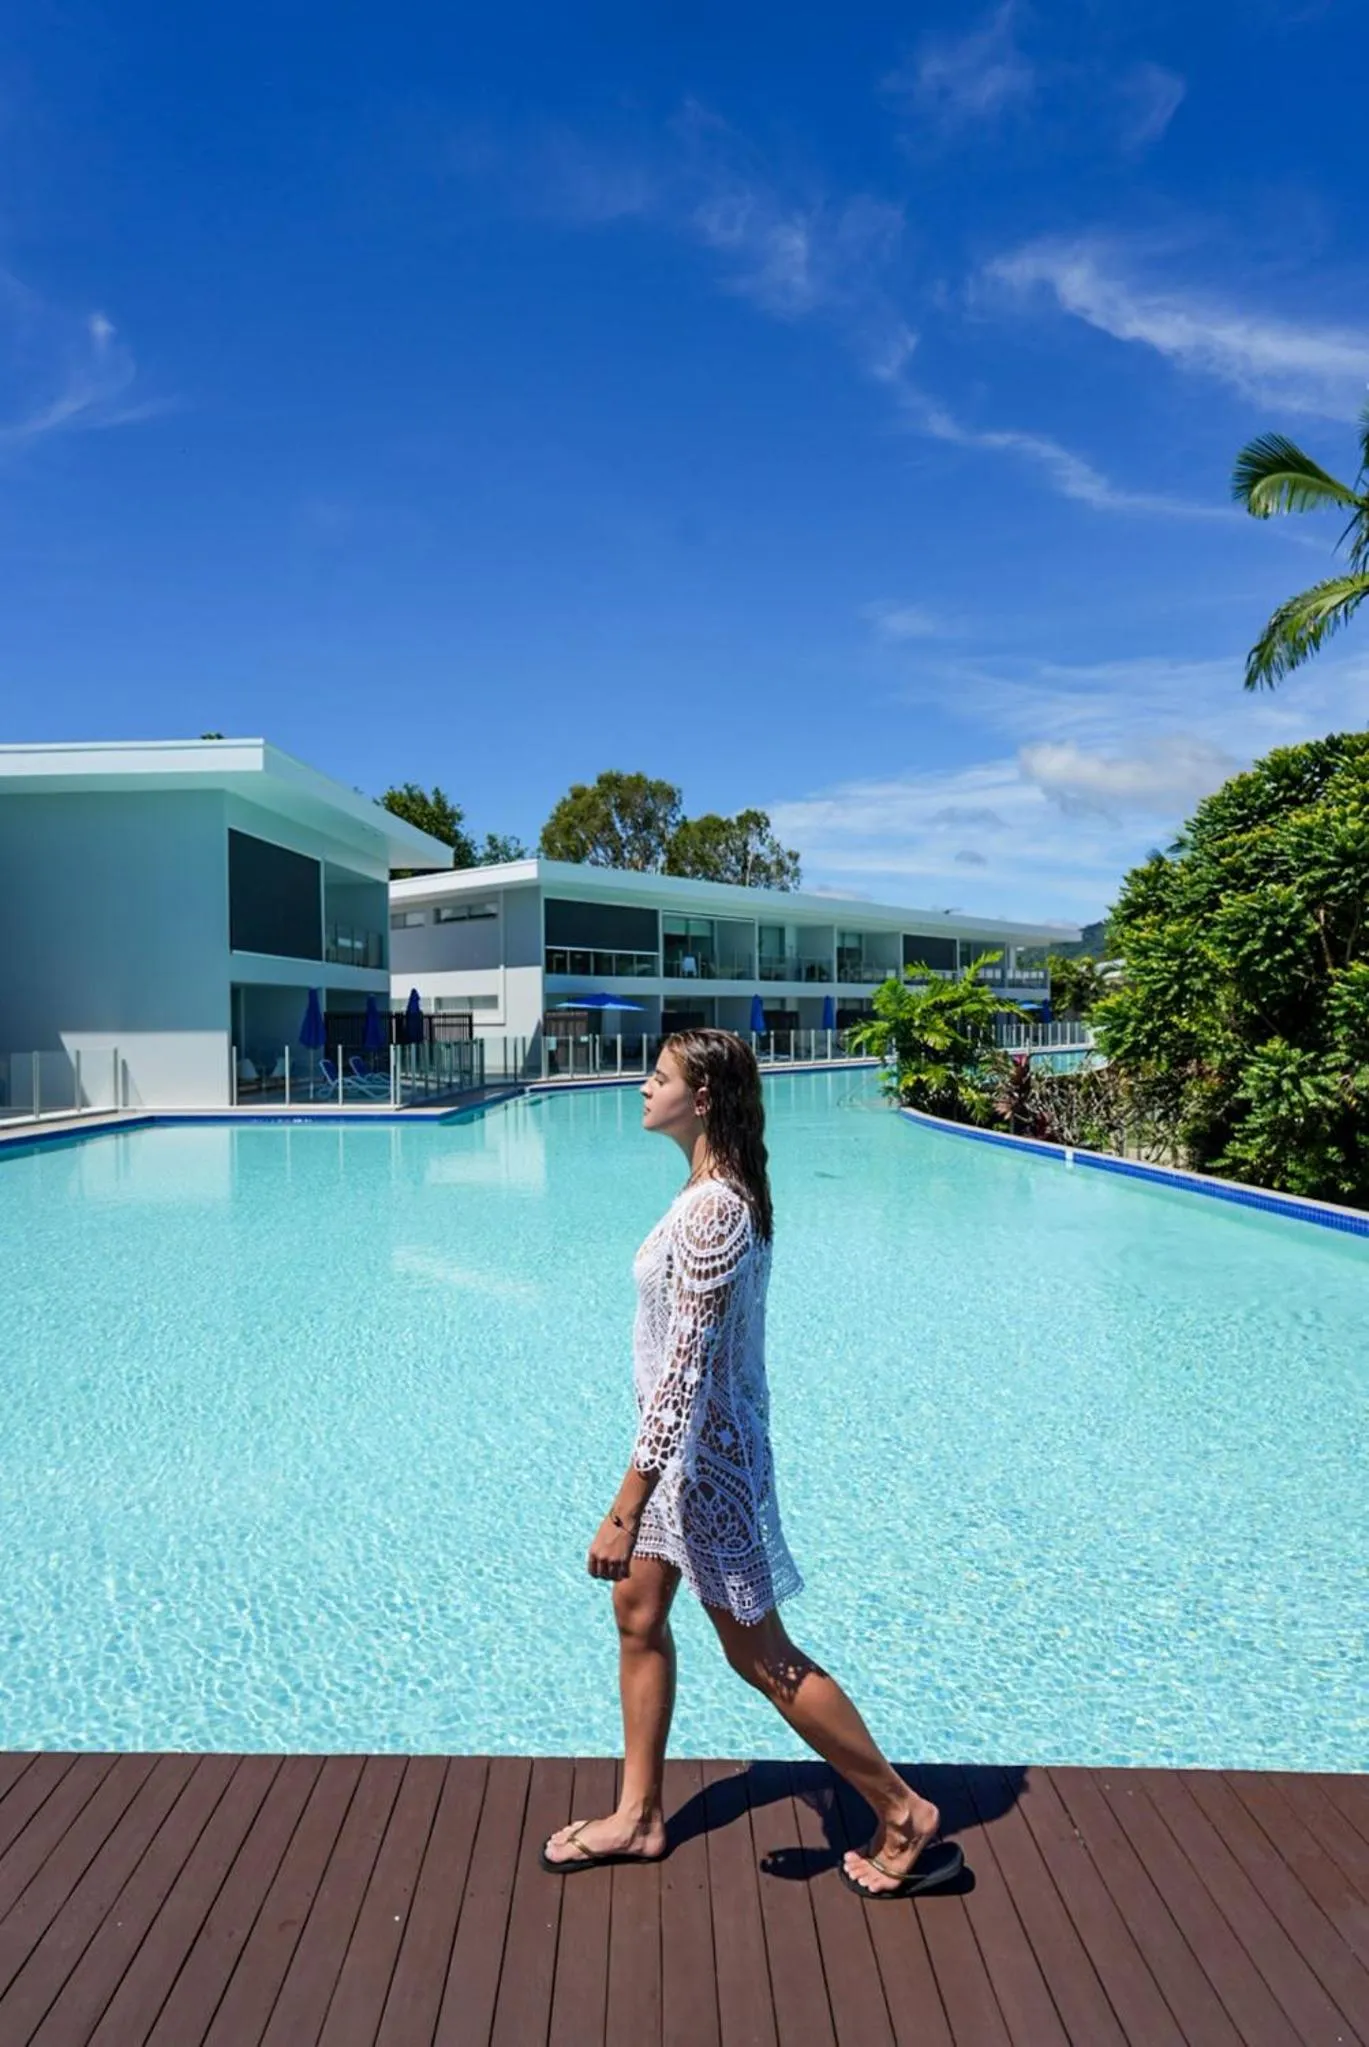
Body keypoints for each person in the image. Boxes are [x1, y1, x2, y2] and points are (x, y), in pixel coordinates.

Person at [541, 1028, 961, 1899]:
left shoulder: (714, 1211)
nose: (640, 1086)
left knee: (758, 1652)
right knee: (637, 1606)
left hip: (707, 1467)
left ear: (701, 1098)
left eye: (657, 1076)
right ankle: (640, 1814)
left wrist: (625, 1504)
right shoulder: (704, 1194)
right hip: (679, 1461)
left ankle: (903, 1809)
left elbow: (686, 1374)